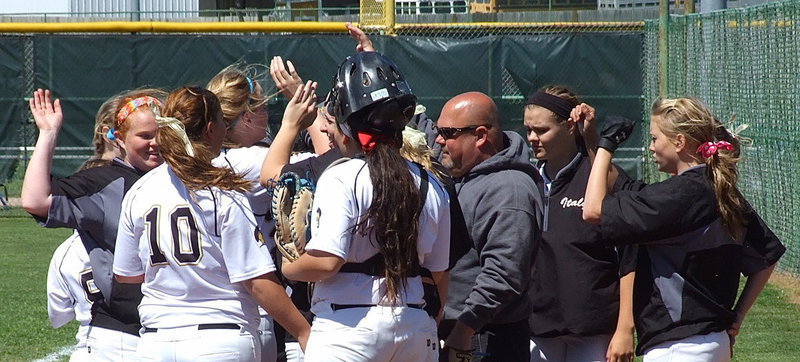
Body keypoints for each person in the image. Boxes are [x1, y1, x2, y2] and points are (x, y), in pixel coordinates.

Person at [112, 86, 312, 361]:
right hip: (219, 339)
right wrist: (304, 332)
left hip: (156, 342)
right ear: (209, 129)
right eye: (222, 122)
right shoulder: (223, 191)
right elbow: (257, 281)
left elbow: (126, 274)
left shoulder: (139, 190)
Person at [583, 97, 785, 361]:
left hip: (679, 347)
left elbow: (593, 210)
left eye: (655, 139)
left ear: (679, 142)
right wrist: (738, 315)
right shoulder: (718, 189)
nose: (651, 147)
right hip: (712, 341)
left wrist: (606, 146)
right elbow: (766, 258)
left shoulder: (679, 196)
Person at [279, 51, 450, 361]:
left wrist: (288, 266)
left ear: (347, 123)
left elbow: (327, 262)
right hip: (415, 323)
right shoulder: (431, 183)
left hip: (348, 327)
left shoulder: (342, 175)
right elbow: (439, 276)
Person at [22, 88, 167, 359]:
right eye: (145, 135)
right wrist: (48, 134)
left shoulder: (180, 179)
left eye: (162, 133)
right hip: (124, 335)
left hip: (172, 330)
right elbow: (36, 200)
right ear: (120, 139)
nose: (155, 143)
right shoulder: (105, 183)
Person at [207, 61, 318, 362]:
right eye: (262, 106)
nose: (268, 112)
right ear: (244, 117)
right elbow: (328, 160)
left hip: (223, 300)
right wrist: (305, 114)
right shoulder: (250, 161)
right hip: (257, 305)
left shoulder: (212, 159)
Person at [523, 86, 636, 362]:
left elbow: (630, 254)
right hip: (538, 326)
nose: (532, 138)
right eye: (528, 130)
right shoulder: (527, 179)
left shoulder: (596, 175)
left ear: (570, 127)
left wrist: (625, 327)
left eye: (541, 130)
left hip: (593, 326)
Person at [435, 91, 542, 361]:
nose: (438, 140)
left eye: (447, 133)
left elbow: (504, 275)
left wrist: (464, 331)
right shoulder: (468, 176)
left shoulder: (509, 189)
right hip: (466, 332)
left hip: (485, 338)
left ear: (481, 135)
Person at [47, 231, 98, 362]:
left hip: (88, 346)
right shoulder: (128, 239)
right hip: (136, 340)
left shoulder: (64, 252)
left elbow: (58, 316)